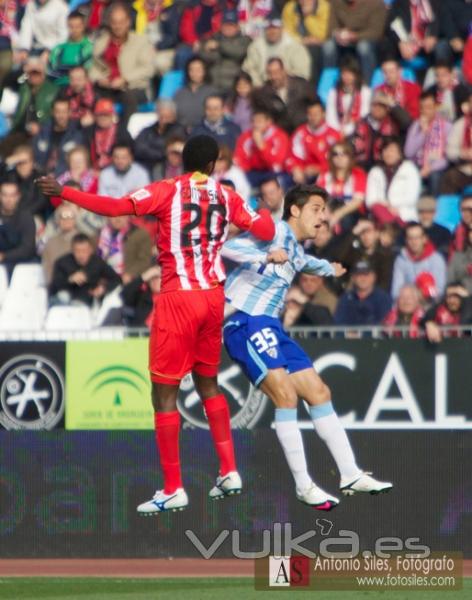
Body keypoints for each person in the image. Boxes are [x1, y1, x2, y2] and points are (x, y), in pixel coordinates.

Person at [36, 134, 276, 514]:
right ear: (213, 165)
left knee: (164, 393)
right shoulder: (227, 196)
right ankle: (229, 470)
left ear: (182, 162)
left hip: (179, 298)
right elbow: (264, 232)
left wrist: (66, 193)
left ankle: (172, 487)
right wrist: (262, 212)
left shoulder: (167, 190)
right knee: (208, 382)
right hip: (214, 298)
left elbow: (116, 208)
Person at [222, 185, 392, 508]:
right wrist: (265, 255)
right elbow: (226, 249)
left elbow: (305, 262)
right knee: (285, 395)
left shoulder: (296, 249)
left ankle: (350, 474)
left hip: (272, 326)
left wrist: (330, 269)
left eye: (325, 210)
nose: (323, 217)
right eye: (317, 208)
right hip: (244, 321)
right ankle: (303, 485)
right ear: (295, 210)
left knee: (319, 392)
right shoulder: (272, 231)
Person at [88, 2, 156, 125]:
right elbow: (93, 66)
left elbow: (148, 69)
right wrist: (99, 79)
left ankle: (124, 133)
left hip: (133, 87)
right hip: (108, 87)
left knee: (128, 98)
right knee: (91, 95)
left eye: (121, 22)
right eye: (114, 22)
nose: (117, 26)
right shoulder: (102, 42)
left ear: (128, 22)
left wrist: (125, 79)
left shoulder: (141, 41)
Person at [49, 232, 121, 306]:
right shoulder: (62, 263)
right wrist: (70, 279)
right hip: (64, 300)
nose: (81, 255)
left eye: (84, 251)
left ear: (90, 250)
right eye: (77, 251)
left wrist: (103, 288)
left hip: (88, 302)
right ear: (72, 250)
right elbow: (54, 285)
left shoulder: (97, 263)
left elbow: (117, 279)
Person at [322, 0, 387, 83]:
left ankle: (367, 83)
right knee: (328, 46)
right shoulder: (337, 2)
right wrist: (338, 34)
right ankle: (329, 83)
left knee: (363, 47)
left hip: (368, 39)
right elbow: (331, 28)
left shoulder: (376, 4)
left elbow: (376, 32)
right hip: (343, 39)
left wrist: (354, 36)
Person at [404, 89, 451, 196]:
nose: (425, 111)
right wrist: (423, 133)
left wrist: (430, 168)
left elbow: (447, 157)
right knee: (407, 172)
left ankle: (433, 208)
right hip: (417, 164)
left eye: (428, 107)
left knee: (435, 176)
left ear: (435, 107)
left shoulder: (446, 126)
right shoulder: (416, 126)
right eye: (422, 108)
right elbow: (408, 152)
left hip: (437, 167)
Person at [251, 57, 316, 133]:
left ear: (284, 71)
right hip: (280, 135)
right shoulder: (263, 94)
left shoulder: (302, 86)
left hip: (304, 131)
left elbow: (315, 105)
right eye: (270, 73)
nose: (274, 77)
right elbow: (261, 115)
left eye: (276, 72)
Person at [242, 15, 311, 87]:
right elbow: (248, 69)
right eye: (269, 28)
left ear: (282, 29)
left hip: (289, 88)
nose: (272, 31)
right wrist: (259, 84)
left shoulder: (295, 46)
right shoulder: (256, 46)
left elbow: (302, 73)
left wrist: (282, 81)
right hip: (262, 87)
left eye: (275, 28)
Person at [365, 136, 421, 225]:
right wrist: (387, 206)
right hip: (381, 213)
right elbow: (370, 199)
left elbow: (412, 197)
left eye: (391, 150)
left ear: (400, 153)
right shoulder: (375, 171)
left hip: (404, 213)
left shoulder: (409, 169)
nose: (388, 153)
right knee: (377, 208)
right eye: (385, 150)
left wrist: (394, 206)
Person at [351, 91, 412, 171]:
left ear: (387, 108)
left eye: (381, 105)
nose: (377, 108)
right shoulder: (361, 123)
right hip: (362, 167)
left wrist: (391, 103)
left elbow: (407, 122)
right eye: (374, 105)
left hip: (387, 168)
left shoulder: (394, 123)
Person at [287, 99, 341, 185]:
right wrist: (296, 168)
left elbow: (339, 161)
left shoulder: (333, 135)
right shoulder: (300, 133)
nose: (313, 117)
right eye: (310, 114)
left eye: (316, 114)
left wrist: (319, 169)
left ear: (323, 114)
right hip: (304, 174)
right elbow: (292, 156)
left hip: (326, 175)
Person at [317, 141, 367, 232]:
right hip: (328, 210)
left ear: (350, 157)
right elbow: (319, 198)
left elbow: (357, 201)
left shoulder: (358, 174)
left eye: (344, 154)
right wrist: (327, 214)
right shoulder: (325, 175)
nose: (340, 157)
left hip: (350, 213)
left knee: (346, 220)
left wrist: (336, 215)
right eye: (335, 154)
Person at [198, 9, 251, 94]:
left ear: (237, 27)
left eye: (231, 25)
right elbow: (203, 56)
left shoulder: (244, 40)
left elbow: (238, 53)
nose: (228, 28)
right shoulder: (213, 37)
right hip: (212, 84)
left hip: (232, 86)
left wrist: (219, 46)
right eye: (225, 25)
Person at [233, 109, 290, 187]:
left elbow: (276, 163)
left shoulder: (279, 136)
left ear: (268, 122)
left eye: (259, 121)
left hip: (273, 172)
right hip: (253, 172)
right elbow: (240, 158)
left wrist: (261, 146)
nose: (256, 125)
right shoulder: (246, 136)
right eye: (253, 121)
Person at [391, 221, 446, 299]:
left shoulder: (436, 260)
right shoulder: (401, 259)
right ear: (406, 240)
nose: (414, 242)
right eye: (410, 238)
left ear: (424, 239)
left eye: (417, 238)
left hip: (430, 304)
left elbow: (440, 290)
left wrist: (422, 293)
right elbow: (396, 291)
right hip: (407, 303)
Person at [32, 97, 84, 176]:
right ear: (52, 112)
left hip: (65, 178)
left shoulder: (77, 135)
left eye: (64, 112)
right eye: (58, 112)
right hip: (41, 176)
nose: (61, 116)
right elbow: (35, 156)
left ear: (69, 112)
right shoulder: (43, 132)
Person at [134, 100, 186, 179]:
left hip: (167, 170)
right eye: (162, 117)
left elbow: (173, 149)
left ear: (174, 117)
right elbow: (138, 148)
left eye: (167, 117)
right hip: (146, 167)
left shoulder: (179, 131)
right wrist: (161, 153)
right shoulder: (148, 131)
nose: (164, 120)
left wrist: (155, 151)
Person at [282, 0, 330, 84]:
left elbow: (323, 34)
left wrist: (308, 17)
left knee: (314, 51)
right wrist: (302, 40)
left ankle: (312, 85)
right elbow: (287, 32)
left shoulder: (324, 7)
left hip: (319, 45)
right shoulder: (290, 7)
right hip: (298, 43)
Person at [334, 259, 392, 326]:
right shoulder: (346, 298)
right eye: (359, 275)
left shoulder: (383, 298)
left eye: (366, 274)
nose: (363, 278)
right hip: (348, 336)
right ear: (353, 278)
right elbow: (338, 323)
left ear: (374, 276)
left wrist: (361, 334)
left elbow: (383, 324)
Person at [97, 215, 152, 283]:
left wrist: (130, 273)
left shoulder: (140, 234)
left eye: (122, 215)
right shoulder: (102, 233)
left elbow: (144, 261)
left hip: (126, 279)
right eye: (114, 215)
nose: (118, 219)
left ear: (128, 216)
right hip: (104, 278)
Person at [325, 57, 371, 137]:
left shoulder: (365, 92)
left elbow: (364, 115)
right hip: (337, 132)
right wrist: (338, 131)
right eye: (344, 73)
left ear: (356, 74)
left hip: (357, 132)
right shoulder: (333, 92)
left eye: (350, 73)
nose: (347, 77)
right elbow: (330, 116)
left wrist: (347, 131)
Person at [83, 98, 133, 171]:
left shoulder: (121, 132)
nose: (103, 118)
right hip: (94, 170)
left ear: (112, 115)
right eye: (100, 115)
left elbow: (129, 154)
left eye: (106, 115)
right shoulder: (90, 131)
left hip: (116, 169)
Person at [1, 145, 48, 219]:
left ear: (32, 163)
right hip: (7, 216)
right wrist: (8, 161)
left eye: (25, 162)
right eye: (19, 162)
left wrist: (21, 215)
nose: (22, 166)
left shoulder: (40, 178)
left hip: (31, 216)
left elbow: (41, 202)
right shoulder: (10, 175)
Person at [0, 180, 36, 275]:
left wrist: (4, 256)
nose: (8, 199)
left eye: (12, 195)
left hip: (22, 265)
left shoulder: (25, 217)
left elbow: (28, 248)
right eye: (5, 195)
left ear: (18, 196)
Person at [48, 11, 93, 86]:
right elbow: (51, 69)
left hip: (79, 87)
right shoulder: (58, 49)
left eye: (77, 26)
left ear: (83, 26)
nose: (74, 30)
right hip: (57, 86)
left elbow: (88, 72)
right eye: (71, 26)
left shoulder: (89, 48)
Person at [174, 57, 218, 134]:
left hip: (205, 132)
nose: (195, 73)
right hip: (181, 132)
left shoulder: (212, 92)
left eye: (198, 70)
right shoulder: (179, 93)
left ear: (204, 71)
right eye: (192, 70)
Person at [441, 91, 472, 195]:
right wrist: (462, 154)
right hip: (464, 169)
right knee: (449, 177)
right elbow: (449, 150)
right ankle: (451, 210)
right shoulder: (460, 124)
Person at [41, 204, 79, 285]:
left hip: (79, 286)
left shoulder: (83, 241)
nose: (67, 220)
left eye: (70, 216)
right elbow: (47, 267)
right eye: (63, 217)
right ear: (58, 220)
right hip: (56, 285)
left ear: (75, 219)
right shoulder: (50, 242)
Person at [447, 224, 472, 295]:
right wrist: (455, 289)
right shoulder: (457, 256)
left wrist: (468, 292)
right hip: (459, 299)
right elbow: (448, 283)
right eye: (471, 230)